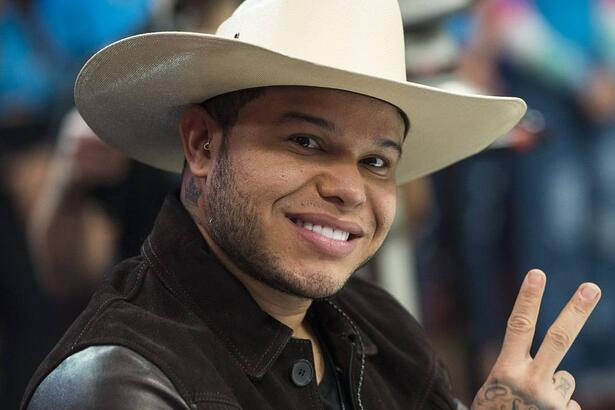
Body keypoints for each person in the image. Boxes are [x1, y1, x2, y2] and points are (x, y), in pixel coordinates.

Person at [21, 0, 601, 409]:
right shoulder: (113, 386)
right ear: (201, 144)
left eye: (376, 162)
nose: (349, 189)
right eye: (305, 142)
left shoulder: (379, 327)